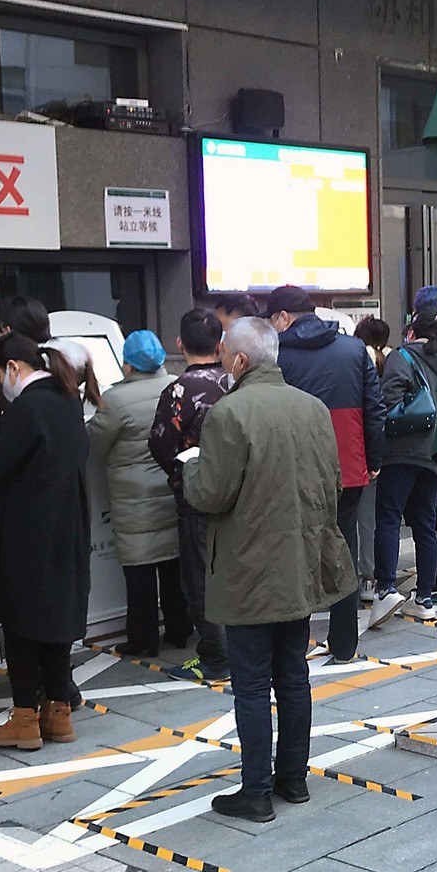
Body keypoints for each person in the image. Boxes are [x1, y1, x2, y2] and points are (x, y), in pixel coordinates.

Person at [180, 316, 355, 823]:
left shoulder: (229, 414)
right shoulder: (313, 409)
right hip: (300, 562)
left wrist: (192, 467)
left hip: (248, 568)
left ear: (238, 360)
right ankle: (293, 779)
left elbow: (210, 493)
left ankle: (255, 790)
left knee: (252, 683)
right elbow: (332, 482)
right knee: (293, 675)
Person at [0, 334, 92, 751]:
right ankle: (58, 714)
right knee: (57, 623)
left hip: (28, 533)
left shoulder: (27, 406)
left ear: (12, 368)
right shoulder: (66, 400)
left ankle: (25, 719)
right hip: (68, 529)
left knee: (22, 624)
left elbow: (0, 463)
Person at [267, 286, 385, 664]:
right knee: (344, 550)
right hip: (348, 468)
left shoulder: (276, 356)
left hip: (292, 471)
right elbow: (375, 410)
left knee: (294, 555)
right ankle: (345, 642)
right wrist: (374, 459)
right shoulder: (353, 349)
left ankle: (294, 644)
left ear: (283, 317)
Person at [90, 330, 191, 658]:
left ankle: (143, 640)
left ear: (129, 365)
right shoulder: (175, 385)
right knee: (173, 568)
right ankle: (179, 630)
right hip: (173, 489)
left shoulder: (115, 400)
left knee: (140, 573)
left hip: (135, 501)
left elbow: (93, 444)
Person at [149, 307, 231, 684]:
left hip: (196, 498)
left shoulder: (178, 390)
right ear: (220, 343)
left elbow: (161, 443)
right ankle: (239, 649)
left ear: (180, 344)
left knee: (200, 579)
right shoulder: (237, 380)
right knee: (234, 573)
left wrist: (183, 474)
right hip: (240, 493)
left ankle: (215, 657)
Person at [369, 310, 437, 624]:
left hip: (401, 453)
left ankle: (386, 589)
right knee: (426, 525)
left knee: (388, 519)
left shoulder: (401, 357)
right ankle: (425, 596)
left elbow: (386, 404)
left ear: (412, 333)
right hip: (435, 455)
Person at [353, 316, 393, 586]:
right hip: (387, 450)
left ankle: (366, 575)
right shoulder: (392, 361)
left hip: (361, 452)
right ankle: (375, 573)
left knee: (362, 519)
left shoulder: (358, 362)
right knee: (379, 517)